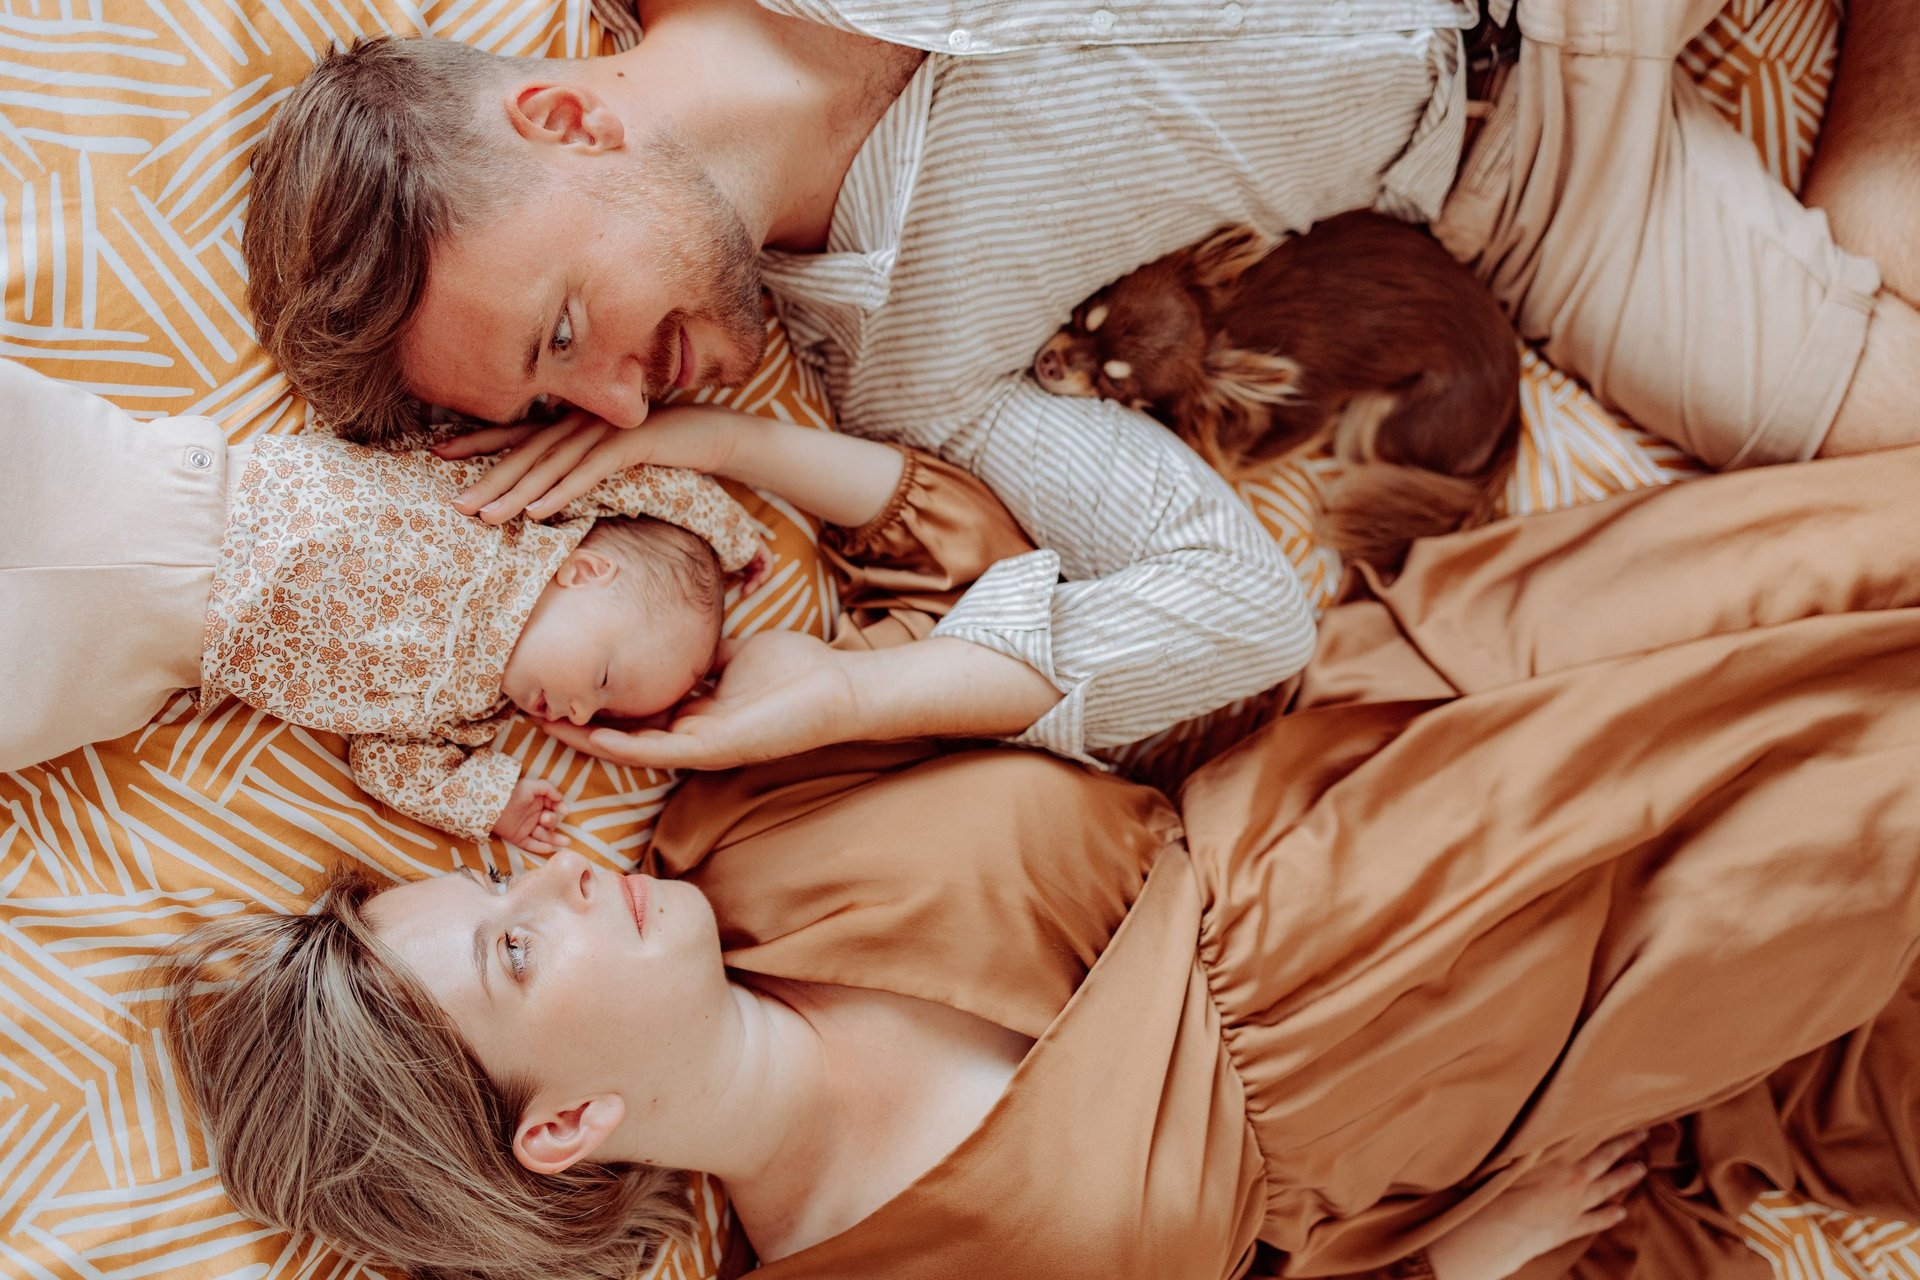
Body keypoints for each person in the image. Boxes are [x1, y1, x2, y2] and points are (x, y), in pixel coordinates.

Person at [163, 441, 1920, 1280]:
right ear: (564, 1128)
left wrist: (716, 477)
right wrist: (1453, 1269)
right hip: (1516, 1017)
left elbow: (1005, 576)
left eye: (502, 883)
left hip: (1421, 701)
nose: (553, 879)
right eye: (516, 953)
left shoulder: (740, 828)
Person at [238, 0, 1920, 777]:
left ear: (561, 118)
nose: (613, 404)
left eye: (560, 338)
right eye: (563, 415)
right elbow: (1234, 612)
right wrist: (842, 697)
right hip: (1524, 172)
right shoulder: (903, 374)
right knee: (1883, 409)